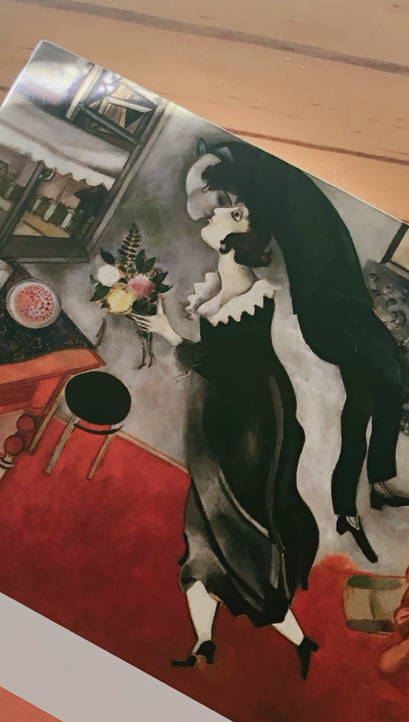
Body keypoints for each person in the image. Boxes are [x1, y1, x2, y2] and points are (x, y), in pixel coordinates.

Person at [185, 140, 409, 564]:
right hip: (334, 307)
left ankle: (350, 506)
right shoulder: (266, 182)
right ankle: (376, 482)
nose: (231, 207)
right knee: (388, 380)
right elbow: (272, 237)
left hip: (335, 305)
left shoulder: (268, 176)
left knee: (362, 400)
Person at [135, 203, 321, 678]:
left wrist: (168, 333)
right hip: (219, 416)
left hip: (247, 427)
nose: (218, 210)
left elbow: (229, 369)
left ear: (233, 241)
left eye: (234, 213)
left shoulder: (255, 296)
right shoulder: (222, 285)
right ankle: (204, 641)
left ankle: (300, 640)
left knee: (238, 529)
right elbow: (215, 361)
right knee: (202, 526)